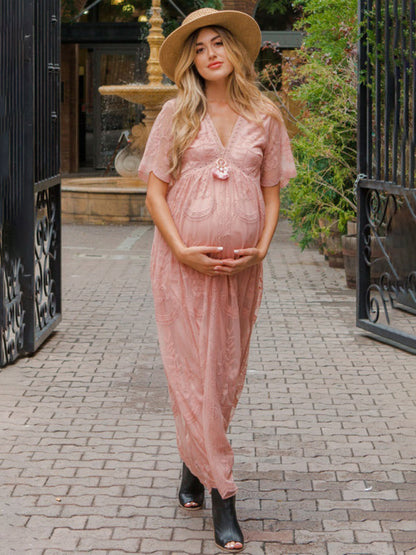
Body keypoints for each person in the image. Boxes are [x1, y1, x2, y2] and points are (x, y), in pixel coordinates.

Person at [138, 7, 296, 552]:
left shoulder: (265, 116)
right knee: (193, 373)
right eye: (200, 46)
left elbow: (272, 190)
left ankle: (191, 467)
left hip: (240, 271)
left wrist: (261, 249)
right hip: (181, 266)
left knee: (223, 377)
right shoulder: (176, 113)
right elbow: (156, 191)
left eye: (219, 43)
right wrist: (183, 248)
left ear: (235, 53)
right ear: (192, 60)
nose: (210, 53)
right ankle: (224, 497)